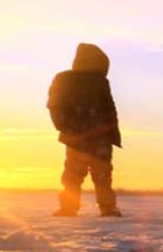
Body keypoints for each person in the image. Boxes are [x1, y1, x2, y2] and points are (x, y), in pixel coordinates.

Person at [47, 43, 122, 217]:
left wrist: (112, 133)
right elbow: (55, 105)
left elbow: (109, 108)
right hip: (85, 136)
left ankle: (85, 207)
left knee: (88, 174)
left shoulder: (99, 82)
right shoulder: (66, 79)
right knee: (83, 174)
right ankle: (76, 207)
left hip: (90, 136)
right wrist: (65, 126)